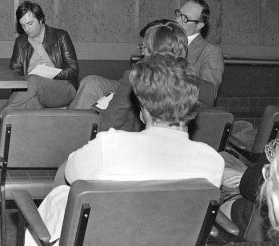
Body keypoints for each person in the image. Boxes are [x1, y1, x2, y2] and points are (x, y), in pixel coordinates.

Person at [26, 54, 225, 245]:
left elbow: (68, 174)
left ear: (144, 110)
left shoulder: (109, 147)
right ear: (191, 106)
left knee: (61, 194)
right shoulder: (212, 162)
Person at [0, 1, 78, 146]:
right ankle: (2, 149)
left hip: (63, 87)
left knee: (33, 80)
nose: (27, 29)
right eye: (23, 25)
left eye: (30, 23)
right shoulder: (21, 42)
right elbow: (14, 73)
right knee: (27, 101)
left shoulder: (60, 36)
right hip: (33, 91)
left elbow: (73, 68)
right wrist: (27, 78)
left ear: (41, 19)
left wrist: (50, 74)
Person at [175, 0, 224, 91]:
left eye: (184, 18)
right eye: (178, 14)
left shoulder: (211, 52)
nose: (177, 20)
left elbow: (206, 95)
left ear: (199, 25)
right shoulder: (165, 42)